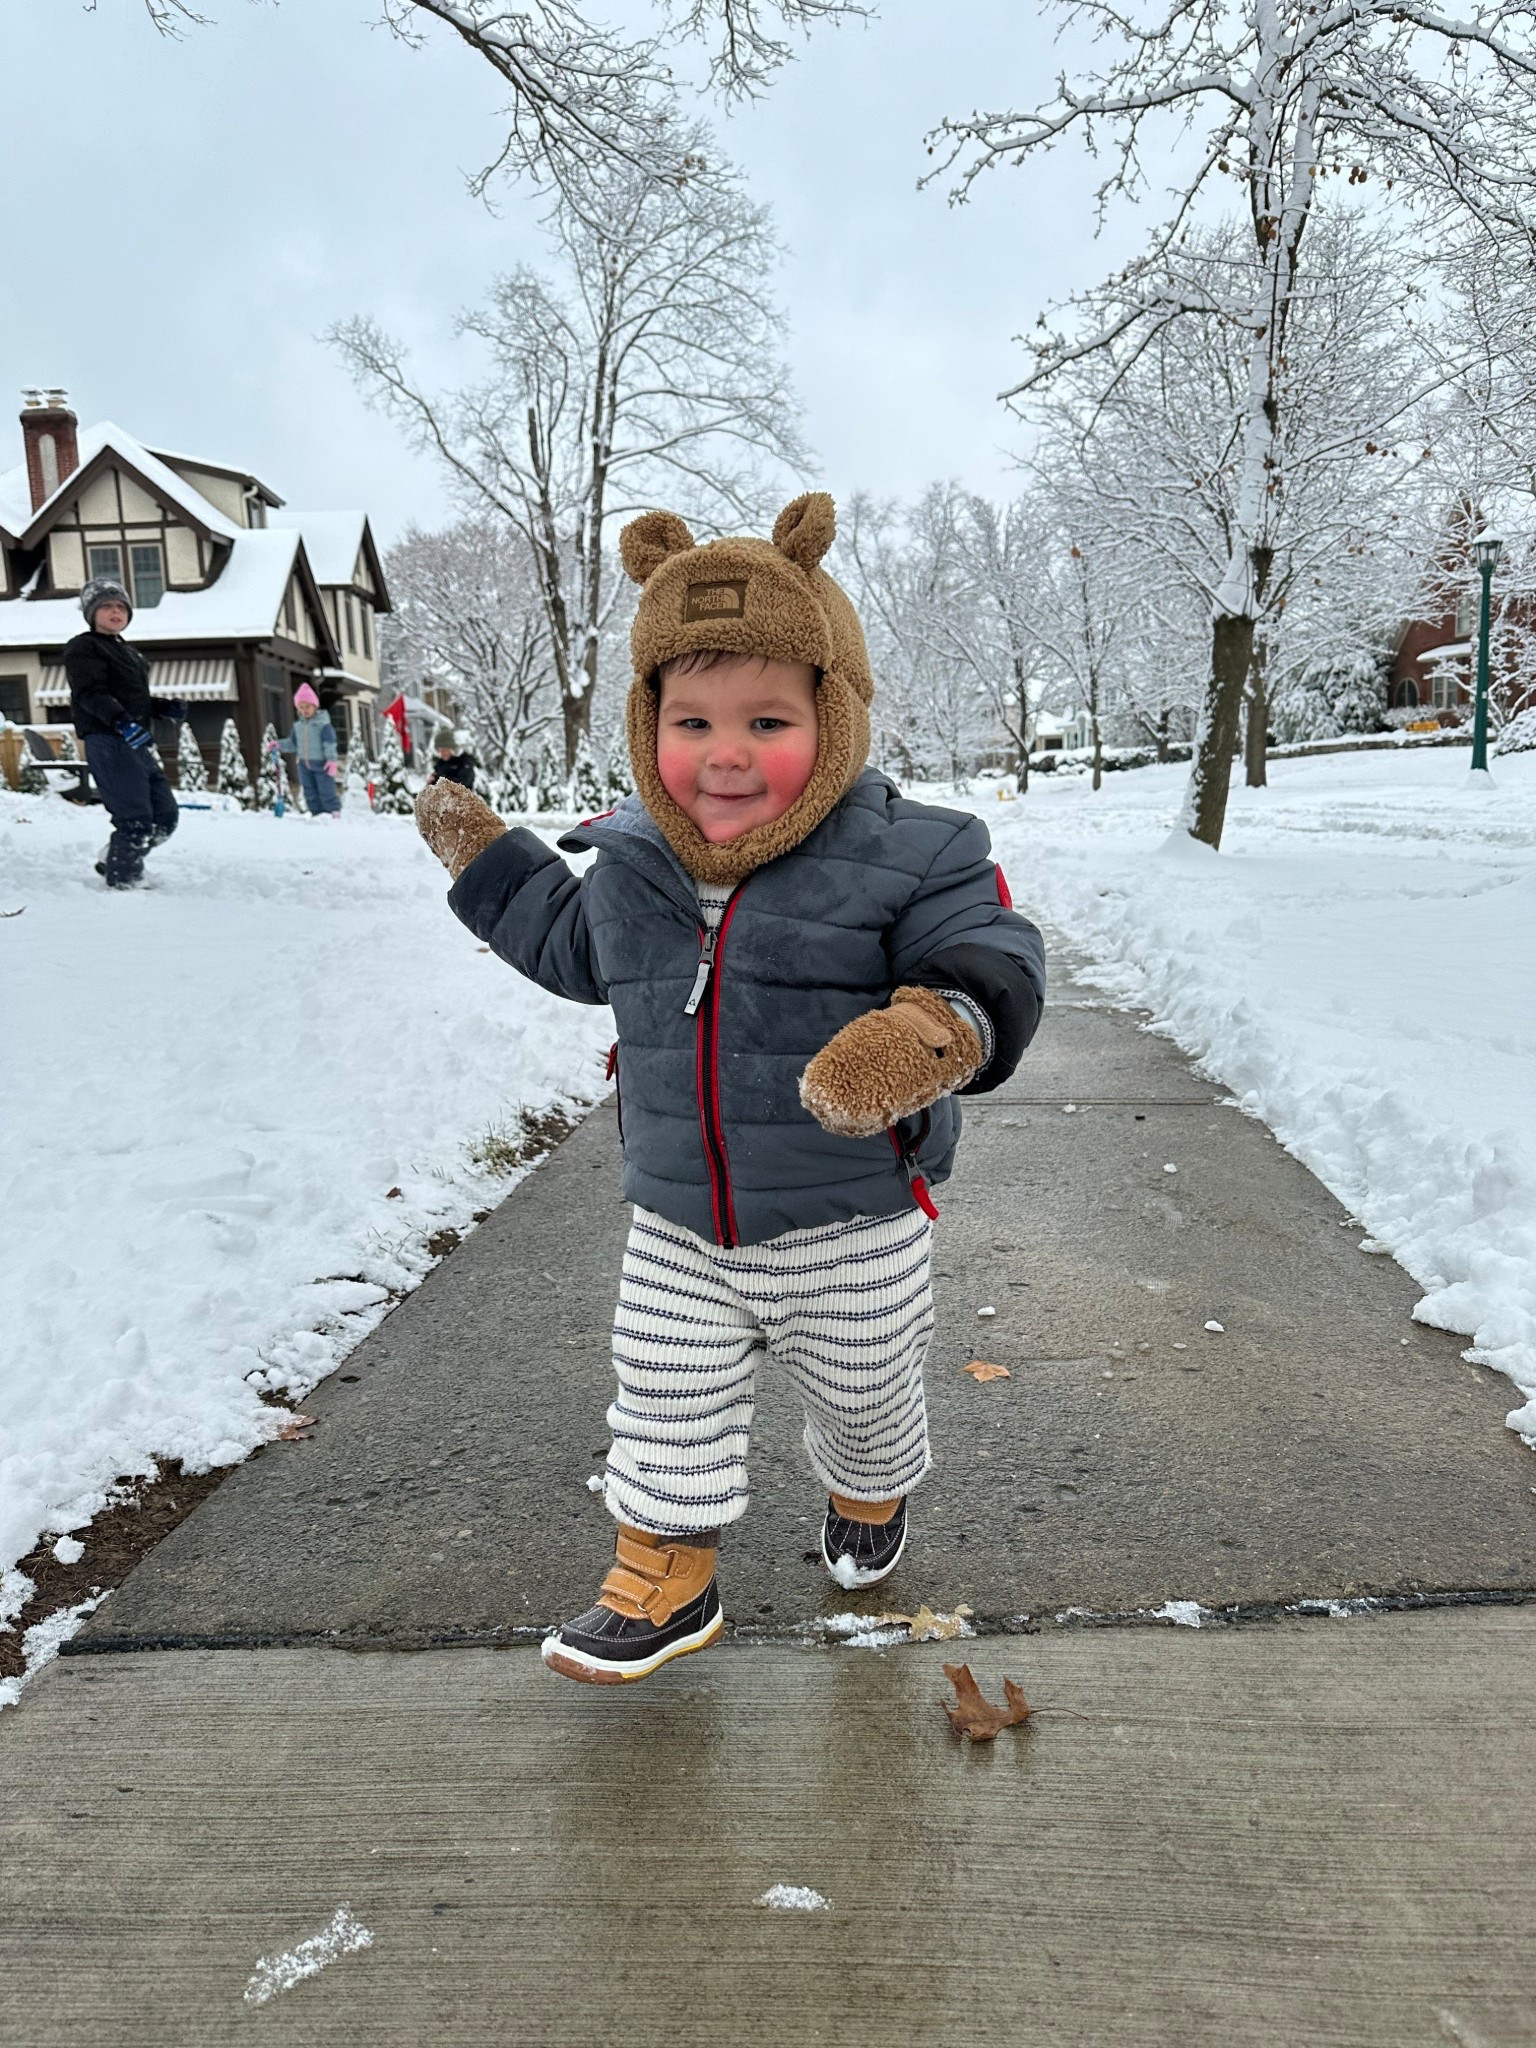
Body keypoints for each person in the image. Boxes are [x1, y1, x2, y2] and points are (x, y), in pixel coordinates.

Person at [414, 494, 1046, 1686]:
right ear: (649, 724)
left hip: (851, 1220)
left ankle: (869, 1487)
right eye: (690, 719)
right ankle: (663, 1570)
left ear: (836, 714)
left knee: (864, 1397)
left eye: (768, 718)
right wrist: (490, 863)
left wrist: (931, 1030)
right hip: (680, 1222)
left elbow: (988, 955)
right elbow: (569, 945)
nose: (727, 752)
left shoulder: (916, 850)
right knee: (659, 1390)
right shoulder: (633, 860)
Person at [65, 577, 186, 889]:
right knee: (135, 819)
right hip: (109, 740)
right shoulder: (84, 647)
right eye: (106, 606)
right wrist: (121, 722)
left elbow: (135, 699)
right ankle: (124, 881)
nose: (115, 612)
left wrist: (161, 707)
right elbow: (90, 693)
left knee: (164, 816)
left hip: (135, 743)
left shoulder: (131, 654)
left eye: (121, 606)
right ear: (91, 613)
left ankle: (115, 856)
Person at [278, 683, 340, 815]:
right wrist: (278, 745)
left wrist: (332, 760)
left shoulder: (323, 724)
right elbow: (292, 744)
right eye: (301, 707)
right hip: (303, 765)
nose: (304, 710)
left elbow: (330, 742)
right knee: (309, 792)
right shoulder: (298, 726)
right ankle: (316, 814)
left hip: (322, 764)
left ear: (315, 706)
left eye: (307, 706)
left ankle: (333, 813)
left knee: (326, 791)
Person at [427, 725, 477, 791]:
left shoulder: (464, 761)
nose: (442, 753)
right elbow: (435, 781)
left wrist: (442, 783)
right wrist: (432, 782)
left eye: (444, 750)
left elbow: (464, 782)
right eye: (440, 750)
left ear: (451, 749)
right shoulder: (440, 763)